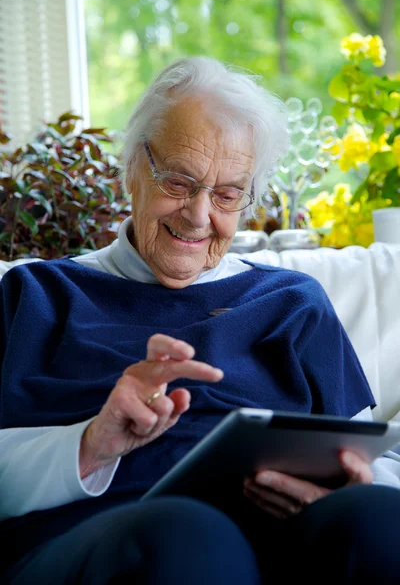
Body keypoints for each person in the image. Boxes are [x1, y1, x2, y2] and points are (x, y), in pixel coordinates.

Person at [1, 57, 400, 585]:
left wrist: (358, 481)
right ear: (133, 170)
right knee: (187, 537)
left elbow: (364, 450)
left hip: (284, 541)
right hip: (97, 541)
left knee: (377, 522)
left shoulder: (292, 302)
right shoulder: (38, 296)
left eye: (228, 195)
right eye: (179, 182)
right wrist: (91, 443)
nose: (197, 215)